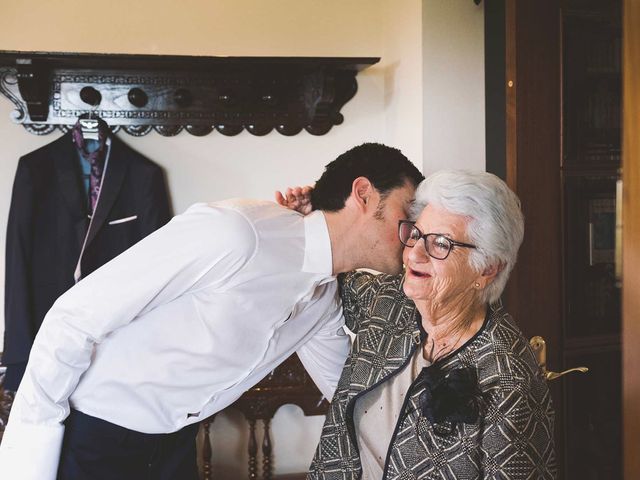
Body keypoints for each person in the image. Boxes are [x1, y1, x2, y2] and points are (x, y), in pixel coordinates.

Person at [0, 143, 424, 480]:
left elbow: (347, 393)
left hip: (175, 448)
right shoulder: (237, 233)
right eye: (407, 216)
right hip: (94, 439)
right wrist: (28, 463)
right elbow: (72, 317)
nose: (413, 236)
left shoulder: (322, 301)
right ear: (364, 194)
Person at [284, 170, 556, 479]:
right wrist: (314, 221)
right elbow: (330, 267)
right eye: (415, 233)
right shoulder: (389, 302)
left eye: (441, 243)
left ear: (487, 270)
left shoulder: (508, 379)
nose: (414, 253)